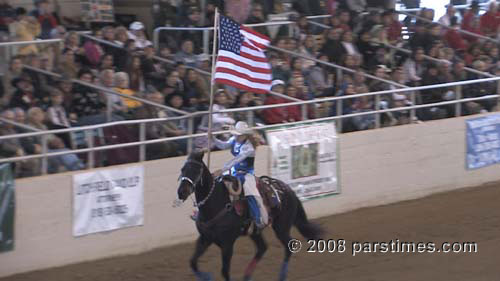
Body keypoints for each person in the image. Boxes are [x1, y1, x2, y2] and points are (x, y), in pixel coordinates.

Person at [212, 121, 268, 229]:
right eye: (235, 134)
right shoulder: (234, 140)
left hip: (246, 173)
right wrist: (213, 139)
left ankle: (258, 219)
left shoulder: (249, 148)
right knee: (217, 182)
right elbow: (223, 145)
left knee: (250, 193)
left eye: (238, 135)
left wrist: (222, 169)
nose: (235, 137)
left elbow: (237, 159)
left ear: (245, 135)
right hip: (234, 170)